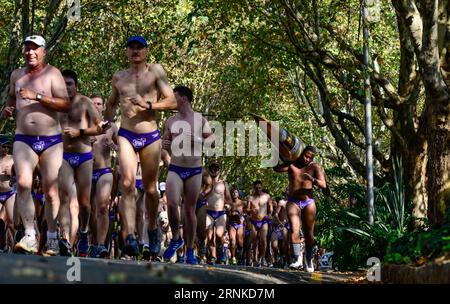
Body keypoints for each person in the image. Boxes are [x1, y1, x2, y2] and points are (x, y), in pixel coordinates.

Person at [105, 35, 177, 257]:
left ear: (146, 51)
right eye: (131, 48)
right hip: (126, 134)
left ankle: (153, 230)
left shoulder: (156, 71)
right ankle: (129, 235)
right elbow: (110, 104)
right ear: (126, 52)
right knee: (126, 183)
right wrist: (107, 127)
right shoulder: (119, 77)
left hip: (150, 136)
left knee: (151, 189)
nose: (135, 51)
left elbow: (172, 101)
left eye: (140, 48)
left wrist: (149, 104)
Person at [1, 35, 71, 254]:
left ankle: (51, 236)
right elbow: (12, 98)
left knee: (51, 192)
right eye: (27, 49)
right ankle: (30, 234)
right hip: (24, 138)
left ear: (43, 51)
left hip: (51, 140)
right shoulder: (17, 75)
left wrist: (37, 96)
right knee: (22, 183)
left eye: (34, 49)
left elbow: (65, 104)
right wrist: (8, 110)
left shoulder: (53, 74)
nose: (30, 52)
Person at [57, 69, 109, 257]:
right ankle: (64, 238)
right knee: (64, 197)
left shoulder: (85, 102)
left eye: (69, 83)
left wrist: (80, 132)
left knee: (85, 203)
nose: (66, 87)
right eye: (63, 83)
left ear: (76, 86)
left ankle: (84, 232)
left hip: (84, 157)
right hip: (63, 156)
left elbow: (101, 127)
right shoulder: (55, 104)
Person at [161, 86, 214, 264]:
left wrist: (196, 140)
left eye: (174, 98)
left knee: (190, 210)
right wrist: (165, 146)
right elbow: (164, 143)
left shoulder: (200, 120)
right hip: (175, 167)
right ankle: (176, 239)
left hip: (194, 170)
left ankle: (190, 250)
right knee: (172, 202)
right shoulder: (170, 121)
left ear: (184, 99)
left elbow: (212, 143)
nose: (171, 101)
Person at [274, 146, 326, 272]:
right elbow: (276, 168)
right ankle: (297, 259)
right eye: (306, 155)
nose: (307, 159)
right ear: (301, 153)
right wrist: (284, 155)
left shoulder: (315, 167)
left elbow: (323, 184)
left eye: (310, 157)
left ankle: (308, 258)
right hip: (293, 202)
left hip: (308, 202)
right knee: (294, 228)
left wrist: (312, 179)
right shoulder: (292, 164)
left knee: (309, 234)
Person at [89, 95, 118, 258]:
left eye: (99, 104)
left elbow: (123, 148)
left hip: (104, 171)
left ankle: (100, 245)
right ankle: (89, 238)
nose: (96, 106)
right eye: (92, 103)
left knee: (102, 207)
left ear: (103, 107)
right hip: (85, 170)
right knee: (87, 209)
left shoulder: (111, 127)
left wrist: (115, 146)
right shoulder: (83, 125)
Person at [204, 162, 231, 265]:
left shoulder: (224, 184)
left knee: (219, 235)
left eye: (216, 169)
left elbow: (228, 199)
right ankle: (212, 256)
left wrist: (229, 205)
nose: (214, 171)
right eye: (212, 169)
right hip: (208, 212)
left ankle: (221, 252)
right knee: (210, 236)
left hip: (220, 213)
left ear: (219, 171)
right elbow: (201, 195)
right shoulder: (205, 183)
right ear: (209, 170)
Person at [247, 180, 272, 267]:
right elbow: (247, 210)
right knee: (254, 241)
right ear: (254, 188)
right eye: (256, 188)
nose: (258, 189)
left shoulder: (267, 196)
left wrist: (269, 215)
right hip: (254, 221)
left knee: (263, 239)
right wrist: (251, 210)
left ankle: (262, 258)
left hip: (264, 220)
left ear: (262, 187)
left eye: (260, 188)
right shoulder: (250, 197)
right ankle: (255, 258)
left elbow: (270, 208)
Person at [0, 137, 15, 253]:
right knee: (0, 221)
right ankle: (4, 246)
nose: (5, 149)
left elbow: (21, 176)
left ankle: (15, 245)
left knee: (11, 223)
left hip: (10, 193)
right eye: (3, 146)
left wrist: (12, 174)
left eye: (7, 146)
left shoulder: (12, 159)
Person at [227, 188, 245, 265]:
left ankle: (240, 256)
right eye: (233, 192)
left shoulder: (242, 203)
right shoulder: (230, 203)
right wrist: (229, 212)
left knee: (240, 243)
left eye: (236, 192)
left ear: (238, 194)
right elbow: (228, 215)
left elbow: (247, 212)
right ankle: (233, 258)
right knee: (232, 240)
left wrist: (242, 216)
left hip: (240, 224)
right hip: (232, 223)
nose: (234, 193)